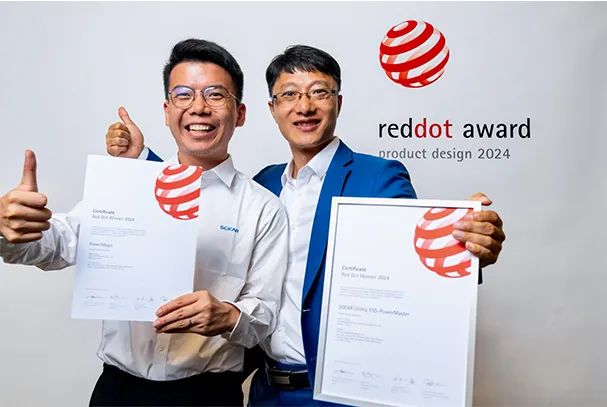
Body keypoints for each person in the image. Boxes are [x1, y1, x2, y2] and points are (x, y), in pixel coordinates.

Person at [106, 45, 505, 406]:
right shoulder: (263, 185)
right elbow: (201, 195)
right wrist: (142, 162)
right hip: (267, 390)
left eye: (319, 92)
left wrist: (467, 247)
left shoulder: (377, 177)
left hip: (343, 393)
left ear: (338, 102)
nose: (305, 106)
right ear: (272, 108)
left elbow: (411, 262)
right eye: (289, 95)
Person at [0, 39, 288, 406]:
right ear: (167, 111)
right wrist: (11, 228)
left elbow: (263, 315)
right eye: (183, 95)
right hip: (118, 391)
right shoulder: (129, 185)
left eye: (216, 95)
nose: (199, 107)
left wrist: (228, 316)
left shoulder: (263, 208)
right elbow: (58, 244)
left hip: (208, 395)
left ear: (240, 113)